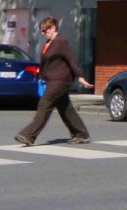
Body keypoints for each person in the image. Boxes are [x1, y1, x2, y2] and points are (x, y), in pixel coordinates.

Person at [16, 16, 91, 146]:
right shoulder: (48, 43)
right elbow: (49, 62)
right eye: (42, 30)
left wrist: (80, 77)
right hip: (51, 80)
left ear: (53, 28)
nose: (43, 33)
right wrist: (41, 71)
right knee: (65, 108)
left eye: (45, 30)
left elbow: (72, 61)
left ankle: (28, 135)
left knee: (44, 104)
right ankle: (81, 134)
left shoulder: (61, 42)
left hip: (60, 80)